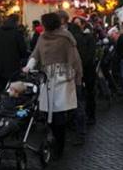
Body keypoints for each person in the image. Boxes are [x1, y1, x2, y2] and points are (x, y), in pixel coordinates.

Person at [25, 12, 82, 157]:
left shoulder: (65, 38)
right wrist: (28, 67)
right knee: (46, 112)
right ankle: (53, 138)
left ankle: (59, 145)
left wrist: (75, 76)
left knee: (58, 113)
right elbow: (36, 54)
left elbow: (73, 59)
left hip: (62, 79)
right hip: (47, 78)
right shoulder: (42, 37)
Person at [0, 14, 29, 108]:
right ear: (16, 22)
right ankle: (8, 109)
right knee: (12, 90)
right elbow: (23, 50)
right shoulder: (17, 34)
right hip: (12, 68)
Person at [71, 16, 98, 130]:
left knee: (87, 93)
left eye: (78, 23)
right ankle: (83, 117)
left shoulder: (88, 38)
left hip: (86, 70)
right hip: (82, 70)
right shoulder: (76, 38)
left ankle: (88, 116)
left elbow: (90, 54)